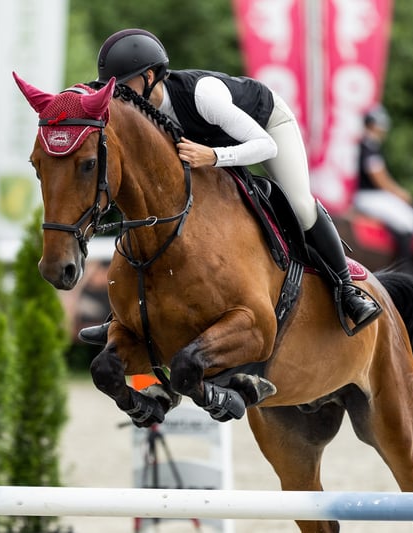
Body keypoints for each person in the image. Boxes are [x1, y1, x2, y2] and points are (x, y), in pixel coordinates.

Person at [79, 28, 381, 344]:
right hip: (212, 144)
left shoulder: (202, 95)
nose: (116, 95)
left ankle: (347, 290)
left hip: (267, 128)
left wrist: (213, 156)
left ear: (150, 76)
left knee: (300, 205)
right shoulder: (142, 113)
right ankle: (122, 317)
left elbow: (265, 146)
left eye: (122, 85)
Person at [354, 105, 413, 265]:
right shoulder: (369, 147)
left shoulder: (366, 145)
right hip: (370, 197)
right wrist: (400, 193)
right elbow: (380, 179)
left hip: (368, 196)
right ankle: (404, 266)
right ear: (375, 126)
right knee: (411, 223)